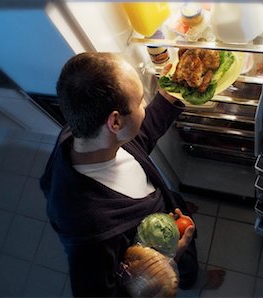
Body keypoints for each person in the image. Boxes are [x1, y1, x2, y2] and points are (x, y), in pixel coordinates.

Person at [40, 52, 199, 297]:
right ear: (114, 122)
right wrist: (167, 260)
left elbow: (137, 138)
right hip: (167, 254)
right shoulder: (90, 233)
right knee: (188, 271)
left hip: (169, 217)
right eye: (141, 102)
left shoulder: (81, 133)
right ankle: (194, 281)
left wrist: (169, 94)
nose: (144, 107)